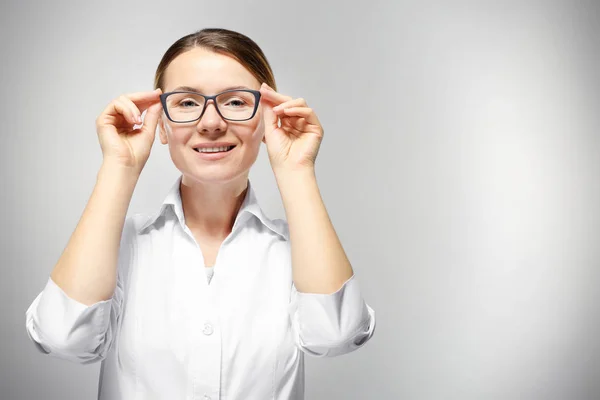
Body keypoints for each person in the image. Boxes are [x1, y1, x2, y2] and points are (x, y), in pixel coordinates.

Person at [25, 27, 375, 400]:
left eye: (237, 102)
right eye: (188, 103)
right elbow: (63, 338)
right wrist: (119, 166)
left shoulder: (297, 250)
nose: (211, 123)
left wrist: (296, 169)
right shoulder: (119, 245)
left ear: (267, 118)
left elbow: (336, 335)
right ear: (161, 124)